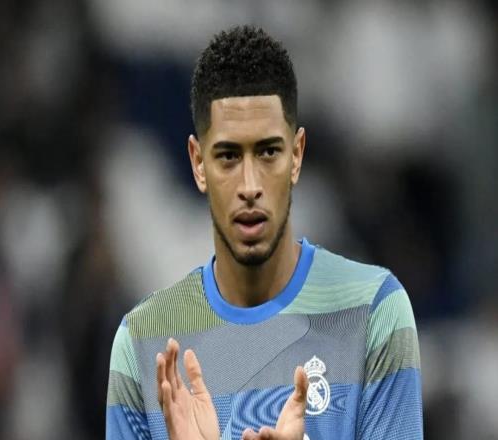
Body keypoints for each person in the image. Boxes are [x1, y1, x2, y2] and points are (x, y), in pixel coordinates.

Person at [106, 25, 423, 440]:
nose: (250, 185)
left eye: (268, 152)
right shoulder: (142, 342)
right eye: (228, 156)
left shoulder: (376, 312)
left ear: (297, 155)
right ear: (198, 163)